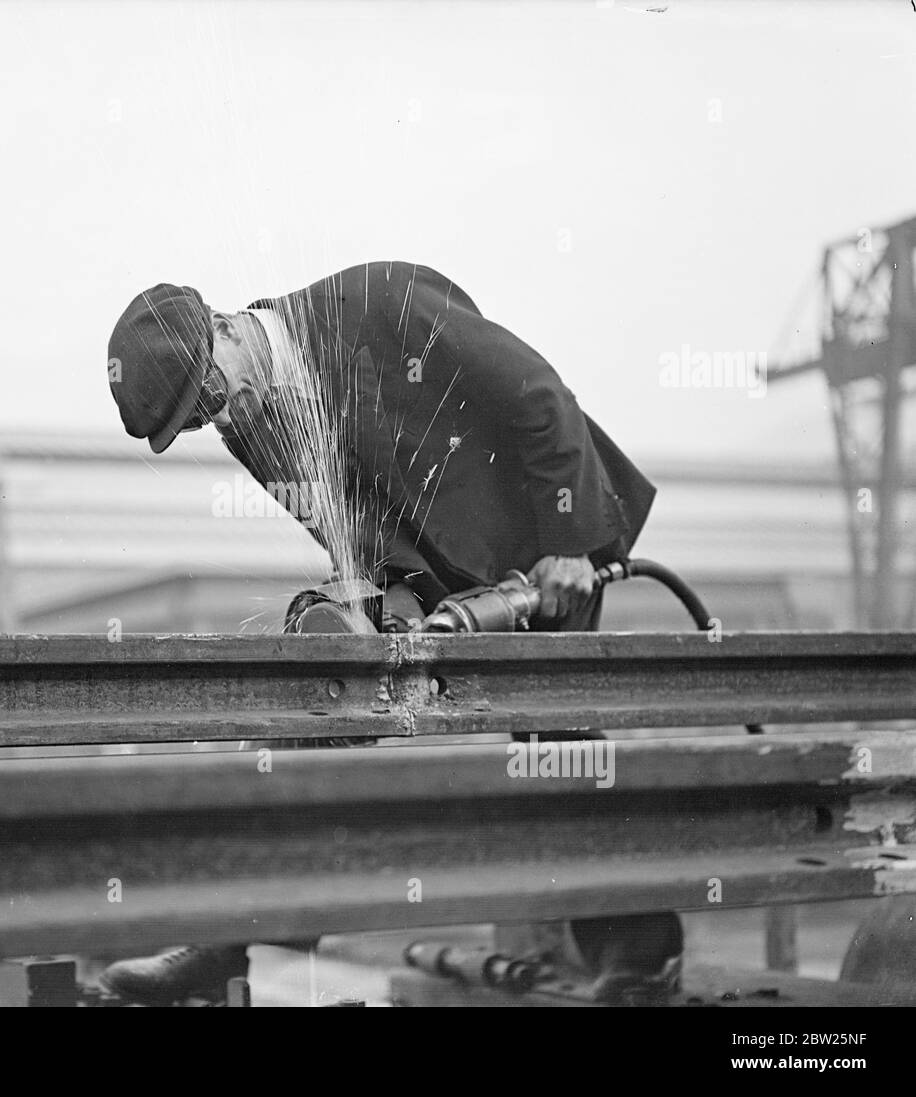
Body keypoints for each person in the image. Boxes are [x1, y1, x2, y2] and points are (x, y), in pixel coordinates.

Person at [101, 262, 682, 1004]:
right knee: (313, 697)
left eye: (207, 396)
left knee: (555, 746)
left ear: (224, 327)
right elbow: (343, 521)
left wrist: (571, 543)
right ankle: (230, 935)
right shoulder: (246, 416)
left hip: (539, 545)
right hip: (432, 576)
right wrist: (377, 598)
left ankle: (640, 958)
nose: (214, 416)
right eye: (195, 420)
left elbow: (535, 393)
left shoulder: (379, 304)